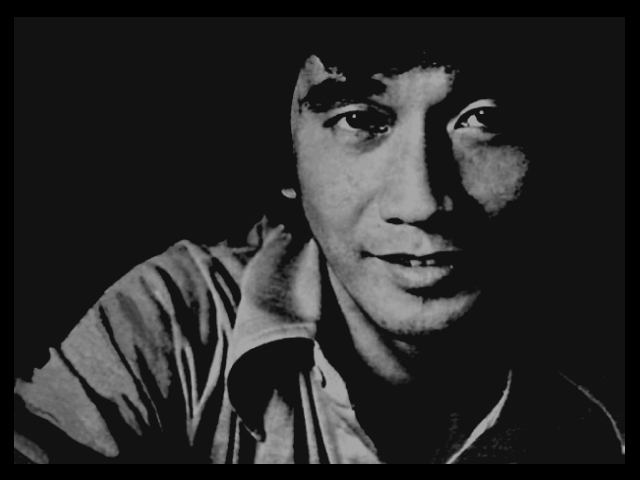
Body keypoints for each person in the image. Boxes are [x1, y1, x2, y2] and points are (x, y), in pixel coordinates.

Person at [14, 19, 625, 464]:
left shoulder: (601, 376)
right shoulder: (175, 323)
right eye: (360, 119)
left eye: (483, 118)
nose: (419, 200)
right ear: (286, 160)